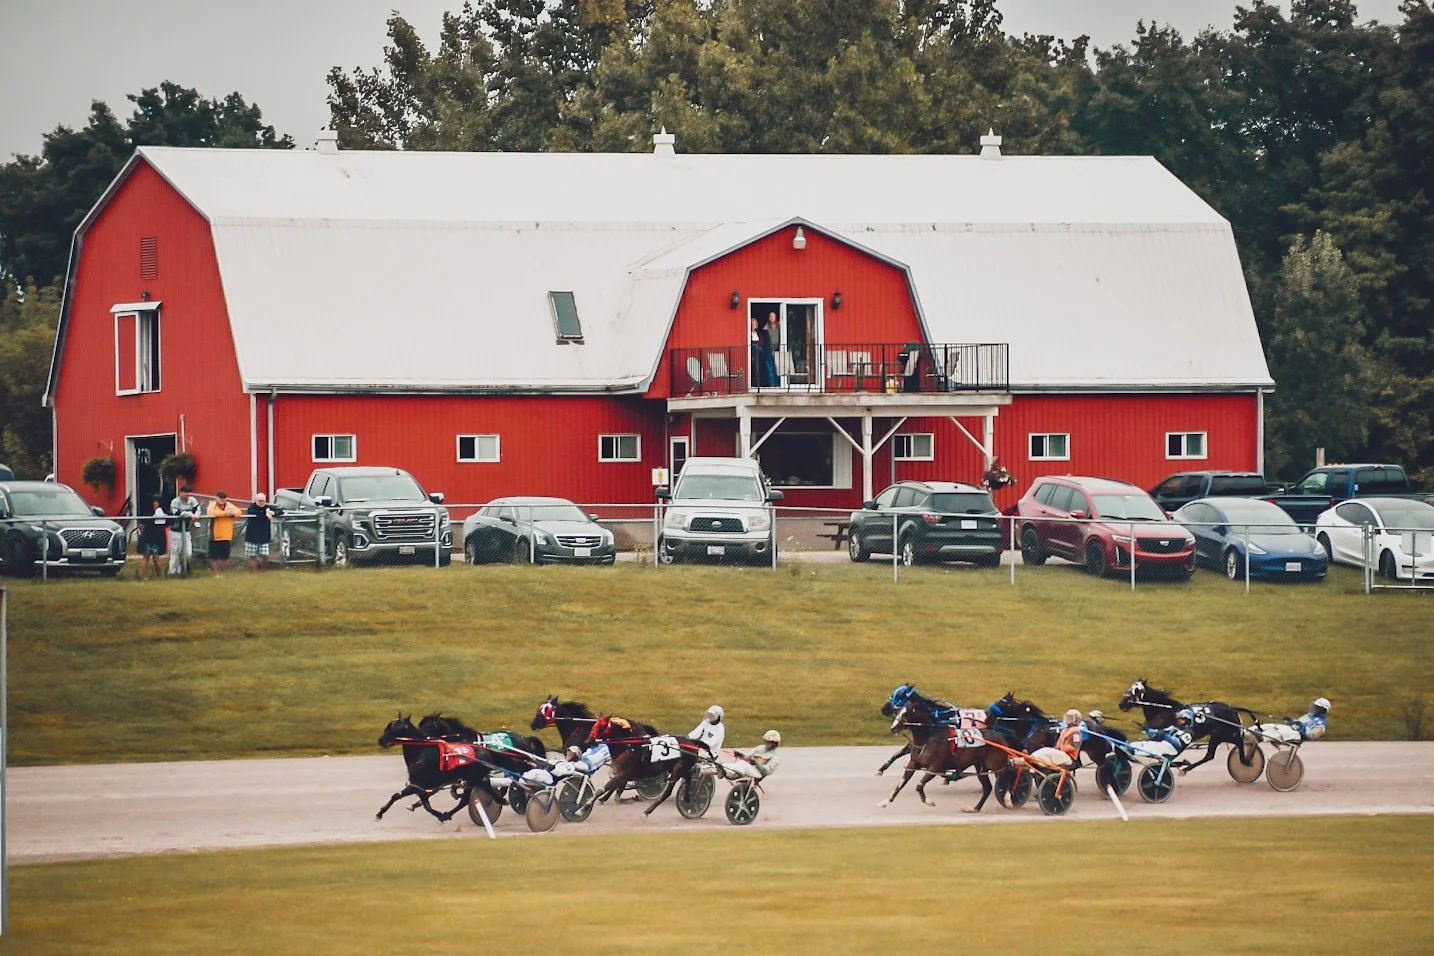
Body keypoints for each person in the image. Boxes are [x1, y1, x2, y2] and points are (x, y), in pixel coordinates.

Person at [1130, 708, 1196, 759]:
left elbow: (1178, 744)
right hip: (1164, 745)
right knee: (1143, 743)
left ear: (1188, 720)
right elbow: (1157, 734)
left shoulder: (1189, 733)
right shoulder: (1173, 728)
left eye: (1182, 719)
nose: (1179, 720)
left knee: (1151, 747)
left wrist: (1164, 735)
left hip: (1171, 750)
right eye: (1179, 719)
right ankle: (1130, 747)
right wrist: (1148, 729)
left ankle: (1133, 751)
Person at [243, 492, 284, 572]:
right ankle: (254, 573)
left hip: (264, 536)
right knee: (252, 556)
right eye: (260, 501)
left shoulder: (267, 507)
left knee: (265, 555)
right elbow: (252, 512)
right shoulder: (252, 507)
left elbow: (280, 511)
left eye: (263, 501)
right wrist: (265, 514)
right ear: (256, 500)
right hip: (252, 536)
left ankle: (263, 572)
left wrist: (274, 513)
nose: (261, 502)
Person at [205, 491, 243, 575]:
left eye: (224, 498)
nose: (222, 500)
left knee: (225, 557)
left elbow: (239, 512)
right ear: (216, 498)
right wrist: (226, 514)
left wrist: (233, 513)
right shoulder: (212, 505)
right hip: (214, 535)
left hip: (226, 535)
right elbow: (211, 513)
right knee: (213, 556)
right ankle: (216, 573)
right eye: (220, 498)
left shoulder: (229, 505)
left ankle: (221, 573)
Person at [168, 484, 201, 576]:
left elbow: (197, 509)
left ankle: (184, 569)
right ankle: (173, 573)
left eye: (188, 493)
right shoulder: (175, 501)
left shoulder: (192, 500)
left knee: (188, 552)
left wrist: (197, 514)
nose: (187, 495)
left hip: (186, 530)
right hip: (176, 530)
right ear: (180, 493)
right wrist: (191, 514)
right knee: (175, 552)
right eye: (185, 492)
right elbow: (178, 513)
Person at [137, 495, 168, 580]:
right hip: (148, 537)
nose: (155, 504)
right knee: (146, 557)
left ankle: (158, 576)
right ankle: (145, 577)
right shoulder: (149, 512)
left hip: (155, 537)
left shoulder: (162, 512)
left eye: (156, 502)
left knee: (156, 558)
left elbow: (166, 523)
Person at [762, 312, 780, 387]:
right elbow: (764, 339)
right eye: (770, 316)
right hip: (769, 350)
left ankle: (778, 384)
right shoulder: (766, 328)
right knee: (770, 369)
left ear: (776, 317)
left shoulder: (780, 327)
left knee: (778, 368)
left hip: (778, 350)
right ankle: (772, 385)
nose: (772, 318)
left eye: (773, 316)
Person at [750, 317, 768, 388]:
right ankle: (756, 383)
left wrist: (756, 344)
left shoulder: (758, 333)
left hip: (759, 354)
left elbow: (762, 342)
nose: (754, 325)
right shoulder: (749, 333)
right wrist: (756, 344)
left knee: (758, 366)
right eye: (752, 324)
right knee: (755, 366)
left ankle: (758, 383)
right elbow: (751, 343)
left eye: (755, 324)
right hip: (752, 354)